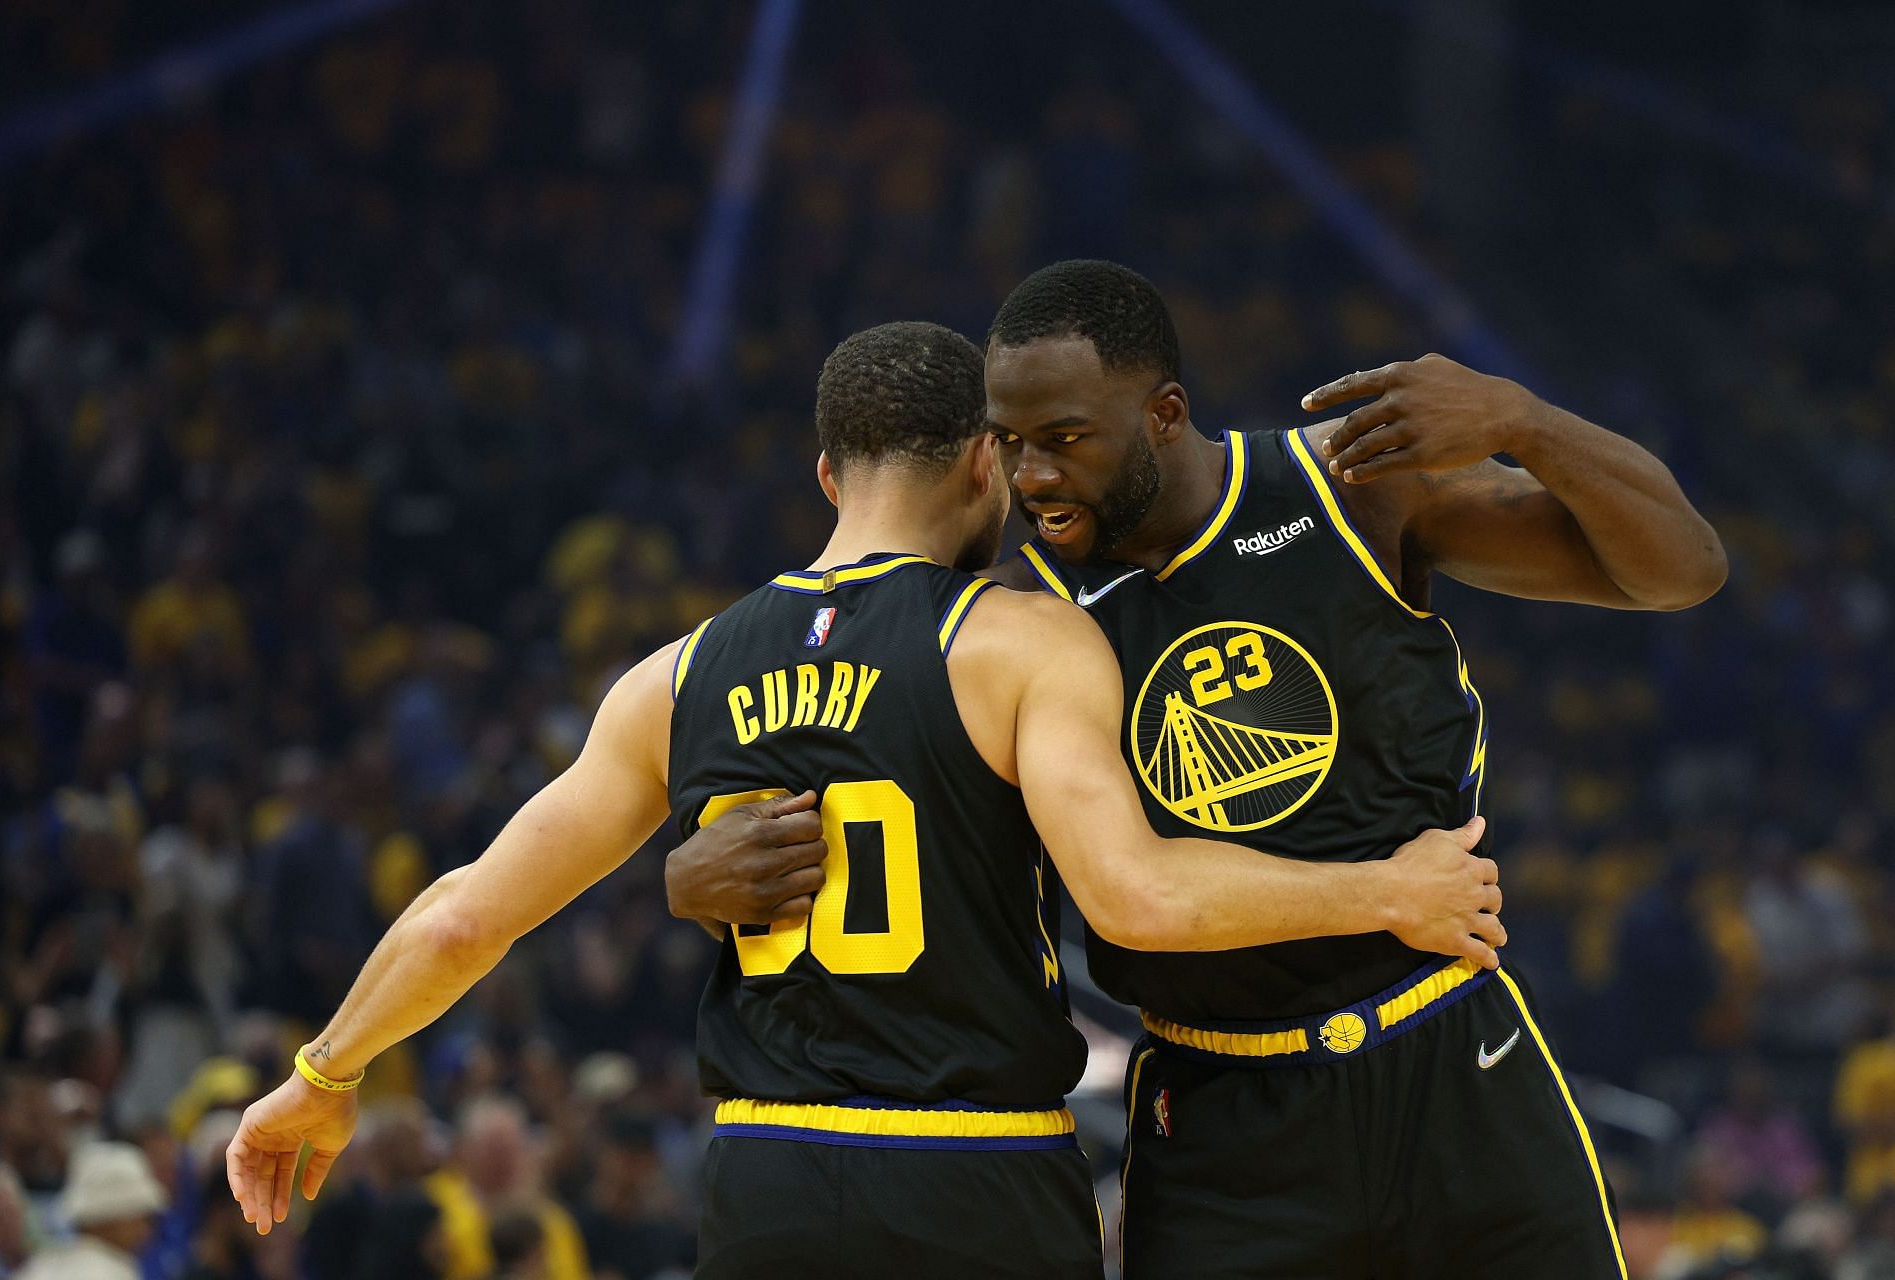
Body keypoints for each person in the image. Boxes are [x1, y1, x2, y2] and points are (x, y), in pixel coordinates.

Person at [223, 321, 1503, 1279]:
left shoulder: (673, 677)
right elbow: (1141, 895)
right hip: (977, 1166)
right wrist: (1391, 887)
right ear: (984, 466)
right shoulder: (1016, 644)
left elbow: (463, 918)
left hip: (769, 1168)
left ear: (828, 476)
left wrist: (325, 1071)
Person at [669, 261, 1726, 1279]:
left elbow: (1683, 570)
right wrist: (682, 876)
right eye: (1012, 443)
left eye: (1066, 440)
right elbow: (849, 747)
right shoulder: (1003, 611)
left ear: (1165, 414)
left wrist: (1524, 421)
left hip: (1448, 1050)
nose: (1033, 476)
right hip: (1217, 1106)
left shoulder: (1354, 486)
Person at [16, 1141, 169, 1280]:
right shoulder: (111, 1273)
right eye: (143, 1218)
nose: (147, 1229)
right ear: (111, 1219)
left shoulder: (39, 1267)